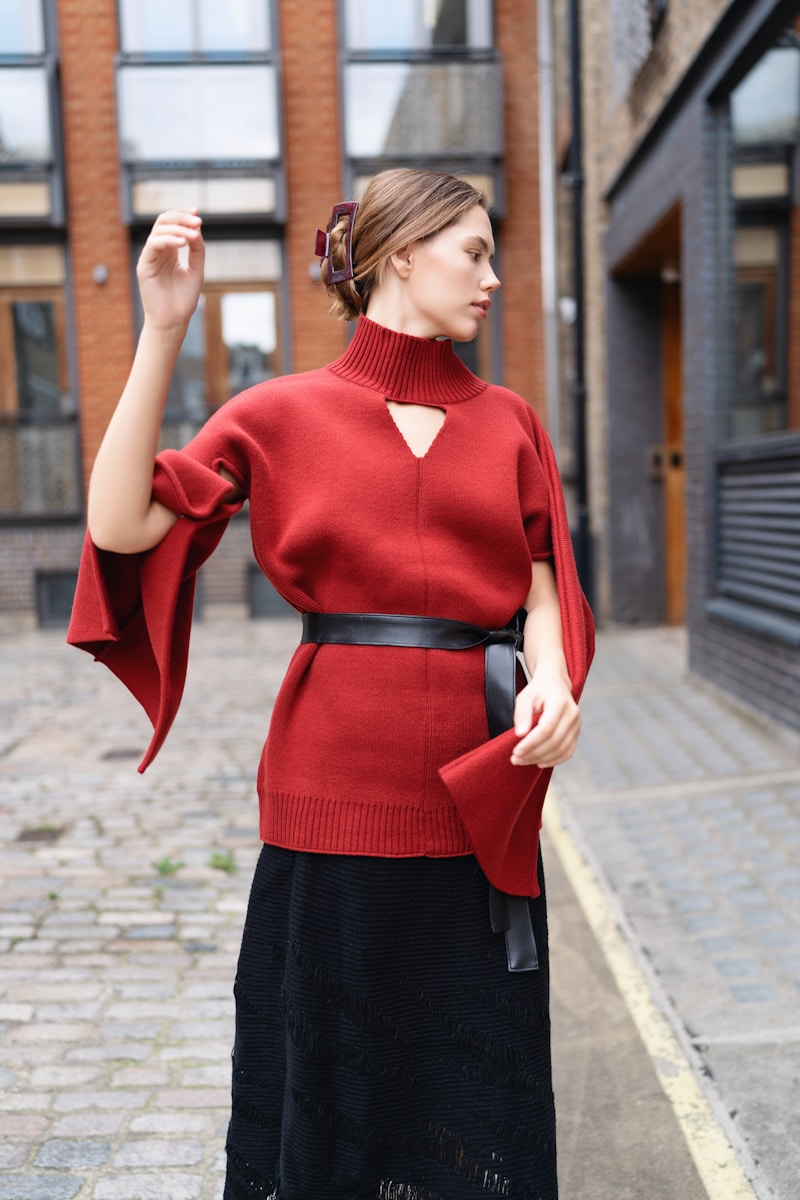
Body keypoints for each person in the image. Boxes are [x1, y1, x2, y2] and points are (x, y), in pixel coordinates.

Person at [68, 168, 594, 1200]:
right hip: (327, 791)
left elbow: (544, 586)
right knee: (332, 1066)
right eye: (473, 253)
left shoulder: (511, 422)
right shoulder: (278, 412)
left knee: (465, 1078)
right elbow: (121, 526)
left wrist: (558, 681)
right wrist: (163, 329)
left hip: (476, 790)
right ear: (401, 255)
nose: (491, 278)